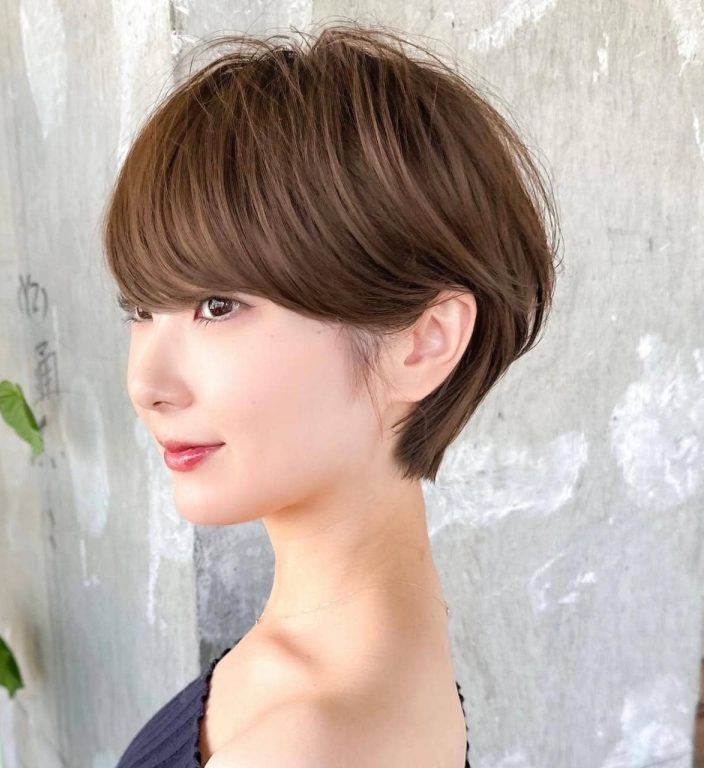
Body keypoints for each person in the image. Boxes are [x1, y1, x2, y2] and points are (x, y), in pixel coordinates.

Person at [103, 19, 559, 768]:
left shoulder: (311, 742)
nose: (144, 385)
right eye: (140, 310)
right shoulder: (366, 660)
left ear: (424, 341)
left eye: (217, 306)